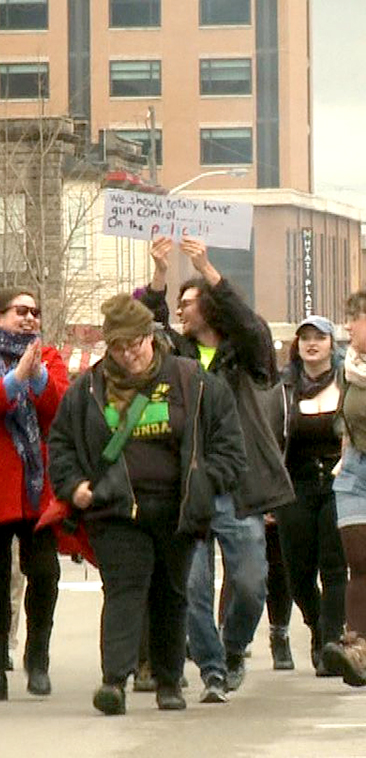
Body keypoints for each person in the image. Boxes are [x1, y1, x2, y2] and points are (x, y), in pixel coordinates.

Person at [48, 294, 246, 715]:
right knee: (124, 590)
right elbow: (61, 445)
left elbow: (229, 445)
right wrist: (73, 486)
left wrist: (207, 484)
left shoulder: (193, 381)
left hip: (178, 509)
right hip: (115, 508)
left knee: (171, 595)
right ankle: (114, 681)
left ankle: (169, 681)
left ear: (151, 338)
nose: (129, 354)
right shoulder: (88, 389)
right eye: (119, 347)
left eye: (136, 343)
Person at [139, 236, 294, 702]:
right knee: (191, 586)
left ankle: (232, 650)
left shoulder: (244, 354)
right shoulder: (175, 355)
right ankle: (211, 669)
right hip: (187, 485)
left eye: (192, 302)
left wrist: (208, 269)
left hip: (238, 483)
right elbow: (147, 325)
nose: (183, 309)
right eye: (180, 303)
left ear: (211, 305)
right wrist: (161, 275)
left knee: (250, 583)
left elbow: (253, 328)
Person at [0, 288, 69, 701]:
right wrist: (13, 381)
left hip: (36, 486)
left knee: (44, 573)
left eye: (35, 312)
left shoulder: (51, 358)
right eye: (20, 312)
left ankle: (38, 659)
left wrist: (38, 378)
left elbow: (59, 410)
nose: (29, 319)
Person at [270, 316, 347, 676]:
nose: (312, 344)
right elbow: (271, 443)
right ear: (297, 346)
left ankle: (332, 643)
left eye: (320, 337)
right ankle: (316, 626)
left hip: (338, 483)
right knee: (298, 572)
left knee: (334, 567)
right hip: (295, 485)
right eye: (305, 338)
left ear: (333, 343)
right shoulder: (284, 388)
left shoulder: (350, 382)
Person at [324, 291, 366, 686]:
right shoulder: (348, 368)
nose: (348, 327)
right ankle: (359, 648)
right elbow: (344, 419)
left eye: (355, 318)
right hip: (355, 470)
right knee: (359, 560)